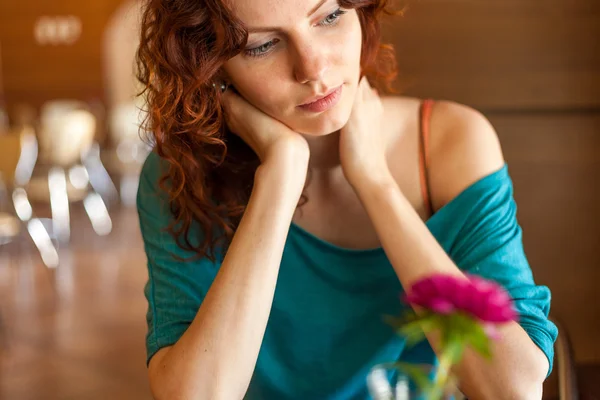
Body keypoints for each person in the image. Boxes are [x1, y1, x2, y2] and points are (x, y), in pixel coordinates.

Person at [135, 0, 558, 398]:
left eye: (330, 17)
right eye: (262, 45)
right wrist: (281, 174)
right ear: (212, 66)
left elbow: (514, 387)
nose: (313, 67)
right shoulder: (179, 177)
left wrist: (375, 182)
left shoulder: (451, 143)